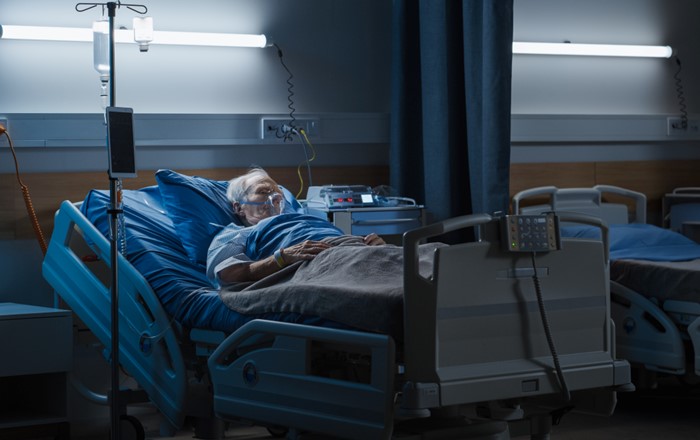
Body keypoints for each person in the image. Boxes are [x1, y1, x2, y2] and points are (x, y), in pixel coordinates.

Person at [207, 167, 385, 286]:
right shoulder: (237, 234)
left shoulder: (307, 219)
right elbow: (225, 275)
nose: (275, 197)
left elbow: (342, 244)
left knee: (407, 266)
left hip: (355, 252)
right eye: (263, 191)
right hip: (322, 265)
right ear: (238, 207)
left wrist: (373, 246)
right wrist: (281, 258)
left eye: (277, 192)